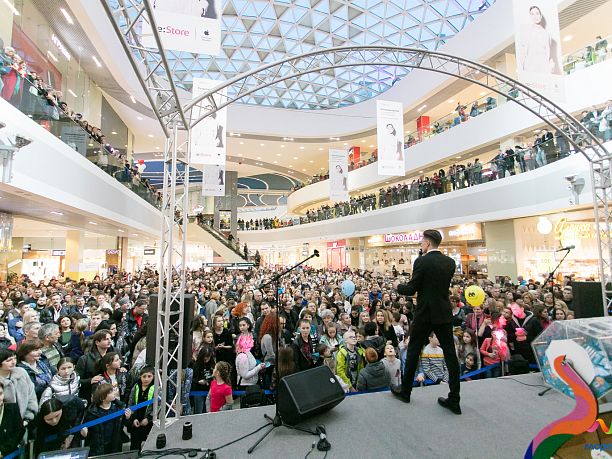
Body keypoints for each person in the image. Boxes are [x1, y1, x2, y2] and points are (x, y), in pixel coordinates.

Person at [392, 229, 461, 414]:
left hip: (424, 314)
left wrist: (397, 286)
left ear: (428, 243)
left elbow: (411, 289)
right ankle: (455, 398)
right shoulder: (450, 262)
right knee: (450, 355)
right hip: (443, 313)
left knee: (414, 351)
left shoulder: (421, 261)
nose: (421, 244)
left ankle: (405, 391)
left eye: (422, 242)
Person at [81, 383, 131, 456]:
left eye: (113, 390)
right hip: (97, 448)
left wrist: (127, 418)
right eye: (110, 392)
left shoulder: (118, 408)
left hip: (114, 446)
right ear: (102, 398)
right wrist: (85, 433)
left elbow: (124, 425)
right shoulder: (92, 412)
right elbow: (88, 433)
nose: (114, 393)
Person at [0, 348, 38, 423]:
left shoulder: (21, 372)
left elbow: (31, 395)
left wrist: (29, 416)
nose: (13, 362)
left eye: (15, 358)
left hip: (27, 419)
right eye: (8, 360)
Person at [127, 366, 154, 451]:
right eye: (144, 376)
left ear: (153, 377)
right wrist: (133, 418)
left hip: (149, 422)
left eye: (149, 376)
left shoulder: (157, 388)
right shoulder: (136, 387)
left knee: (150, 446)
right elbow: (131, 403)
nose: (146, 379)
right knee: (134, 446)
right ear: (140, 377)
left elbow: (158, 406)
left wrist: (148, 418)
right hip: (136, 421)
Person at [0, 380, 25, 456]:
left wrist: (3, 451)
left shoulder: (13, 408)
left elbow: (19, 431)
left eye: (0, 394)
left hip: (8, 452)